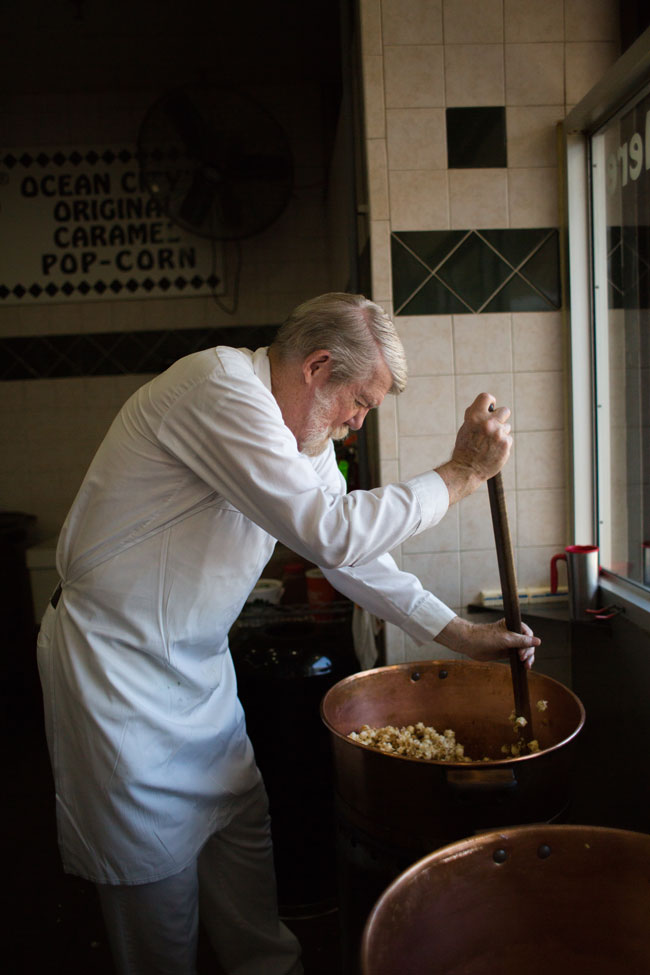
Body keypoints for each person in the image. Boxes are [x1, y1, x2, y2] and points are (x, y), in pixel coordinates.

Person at [37, 291, 539, 975]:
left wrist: (458, 633)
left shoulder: (303, 441)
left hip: (199, 673)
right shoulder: (218, 388)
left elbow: (345, 553)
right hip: (117, 674)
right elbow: (326, 529)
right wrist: (460, 475)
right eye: (358, 402)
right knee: (156, 889)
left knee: (241, 834)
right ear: (318, 366)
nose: (356, 425)